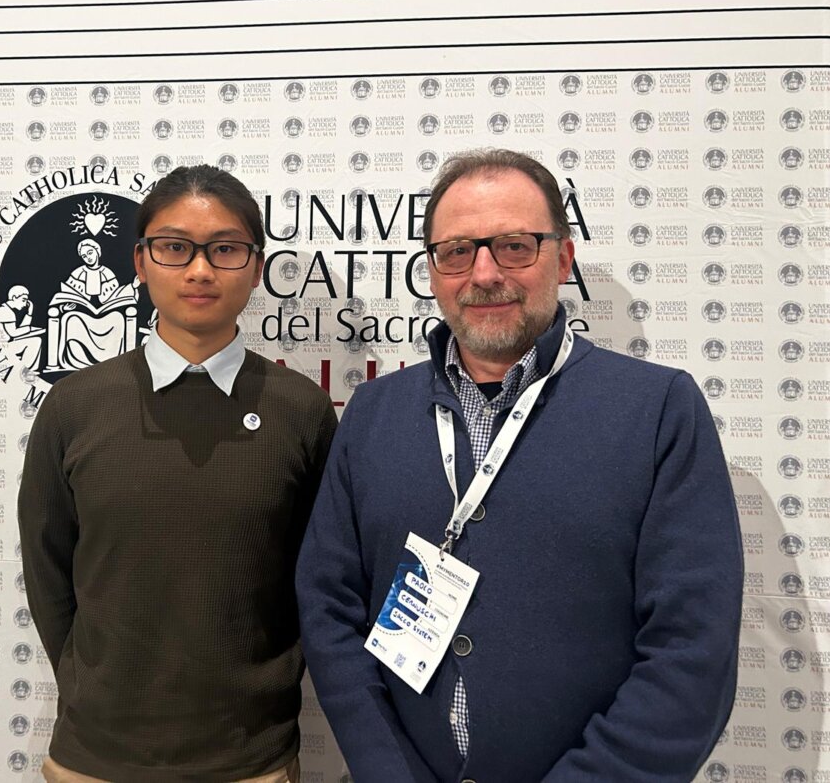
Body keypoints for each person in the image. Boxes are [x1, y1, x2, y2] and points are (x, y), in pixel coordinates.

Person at [297, 148, 742, 782]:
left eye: (513, 246)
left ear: (562, 259)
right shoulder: (372, 413)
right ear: (432, 270)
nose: (483, 273)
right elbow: (328, 608)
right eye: (457, 251)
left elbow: (691, 651)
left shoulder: (659, 410)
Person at [19, 164, 336, 783]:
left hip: (250, 761)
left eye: (225, 249)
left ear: (256, 266)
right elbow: (47, 571)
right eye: (174, 247)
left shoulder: (301, 410)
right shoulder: (74, 406)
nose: (199, 270)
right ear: (140, 262)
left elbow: (319, 579)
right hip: (94, 758)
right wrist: (91, 685)